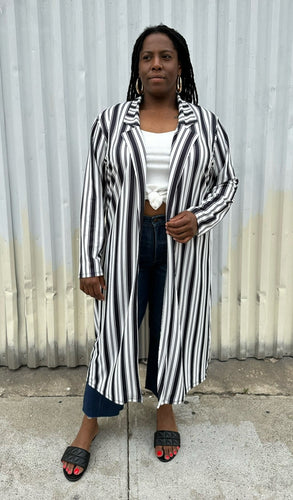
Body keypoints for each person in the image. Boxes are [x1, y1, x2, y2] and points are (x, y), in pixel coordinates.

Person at [61, 24, 238, 481]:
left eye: (165, 56)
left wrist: (199, 216)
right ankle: (89, 424)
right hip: (124, 241)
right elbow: (94, 194)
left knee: (171, 328)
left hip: (181, 246)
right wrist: (89, 262)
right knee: (114, 333)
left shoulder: (205, 124)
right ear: (137, 67)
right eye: (147, 57)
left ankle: (164, 411)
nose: (155, 64)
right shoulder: (111, 122)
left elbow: (227, 182)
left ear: (181, 67)